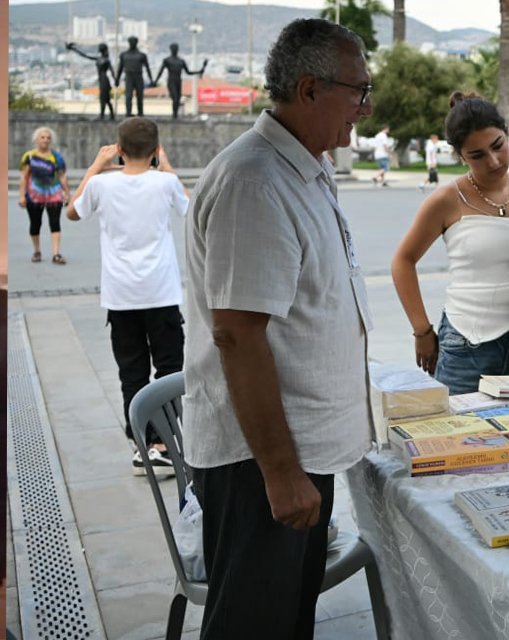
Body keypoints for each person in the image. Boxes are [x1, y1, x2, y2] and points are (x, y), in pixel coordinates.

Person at [183, 19, 374, 638]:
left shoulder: (303, 167)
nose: (365, 107)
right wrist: (280, 472)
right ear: (310, 88)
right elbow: (237, 334)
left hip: (295, 450)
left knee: (286, 619)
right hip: (260, 458)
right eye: (358, 90)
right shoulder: (255, 181)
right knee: (254, 625)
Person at [65, 117, 188, 476]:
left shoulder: (102, 184)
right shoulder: (165, 182)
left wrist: (94, 166)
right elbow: (191, 209)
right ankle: (168, 443)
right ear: (155, 150)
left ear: (118, 150)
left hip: (121, 297)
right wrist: (165, 166)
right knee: (170, 369)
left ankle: (144, 447)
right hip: (161, 293)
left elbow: (72, 212)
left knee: (131, 373)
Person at [392, 92, 509, 395]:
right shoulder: (446, 199)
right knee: (462, 441)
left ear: (507, 134)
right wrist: (422, 330)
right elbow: (403, 261)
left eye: (498, 146)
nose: (494, 161)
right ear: (460, 156)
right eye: (477, 155)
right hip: (467, 349)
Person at [19, 127, 70, 265]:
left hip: (54, 196)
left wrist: (67, 194)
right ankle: (37, 251)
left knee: (55, 224)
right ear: (36, 139)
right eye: (42, 137)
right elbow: (24, 177)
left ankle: (56, 254)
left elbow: (62, 176)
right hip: (34, 197)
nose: (45, 140)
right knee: (35, 224)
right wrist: (22, 196)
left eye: (48, 137)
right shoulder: (29, 156)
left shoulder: (57, 157)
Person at [154, 43, 207, 119]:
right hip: (171, 81)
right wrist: (155, 81)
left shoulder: (181, 61)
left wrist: (199, 71)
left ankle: (175, 114)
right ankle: (174, 115)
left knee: (178, 99)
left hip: (178, 81)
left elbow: (188, 72)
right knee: (175, 98)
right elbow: (160, 72)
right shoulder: (167, 60)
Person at [66, 42, 117, 120]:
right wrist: (74, 49)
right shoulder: (99, 59)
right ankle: (109, 115)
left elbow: (112, 71)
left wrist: (115, 80)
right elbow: (85, 56)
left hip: (104, 80)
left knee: (104, 98)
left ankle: (104, 115)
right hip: (101, 80)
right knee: (105, 99)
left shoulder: (106, 60)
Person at [115, 36, 152, 117]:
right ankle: (128, 112)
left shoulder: (141, 55)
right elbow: (120, 68)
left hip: (138, 76)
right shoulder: (124, 55)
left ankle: (140, 112)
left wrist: (151, 79)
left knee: (140, 96)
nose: (132, 43)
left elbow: (147, 68)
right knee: (128, 96)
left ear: (136, 43)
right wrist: (117, 79)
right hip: (128, 77)